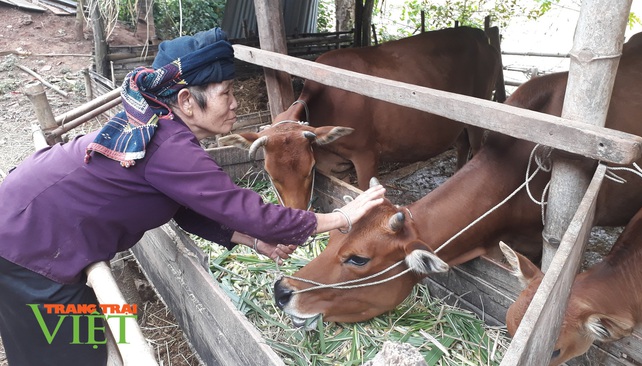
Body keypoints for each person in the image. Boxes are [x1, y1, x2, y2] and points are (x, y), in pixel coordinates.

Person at [0, 28, 385, 365]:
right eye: (227, 93)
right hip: (28, 245)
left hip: (29, 228)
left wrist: (254, 241)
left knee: (82, 338)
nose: (236, 103)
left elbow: (184, 209)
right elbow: (243, 207)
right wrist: (341, 218)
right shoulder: (168, 146)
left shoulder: (160, 130)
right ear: (186, 101)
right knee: (64, 355)